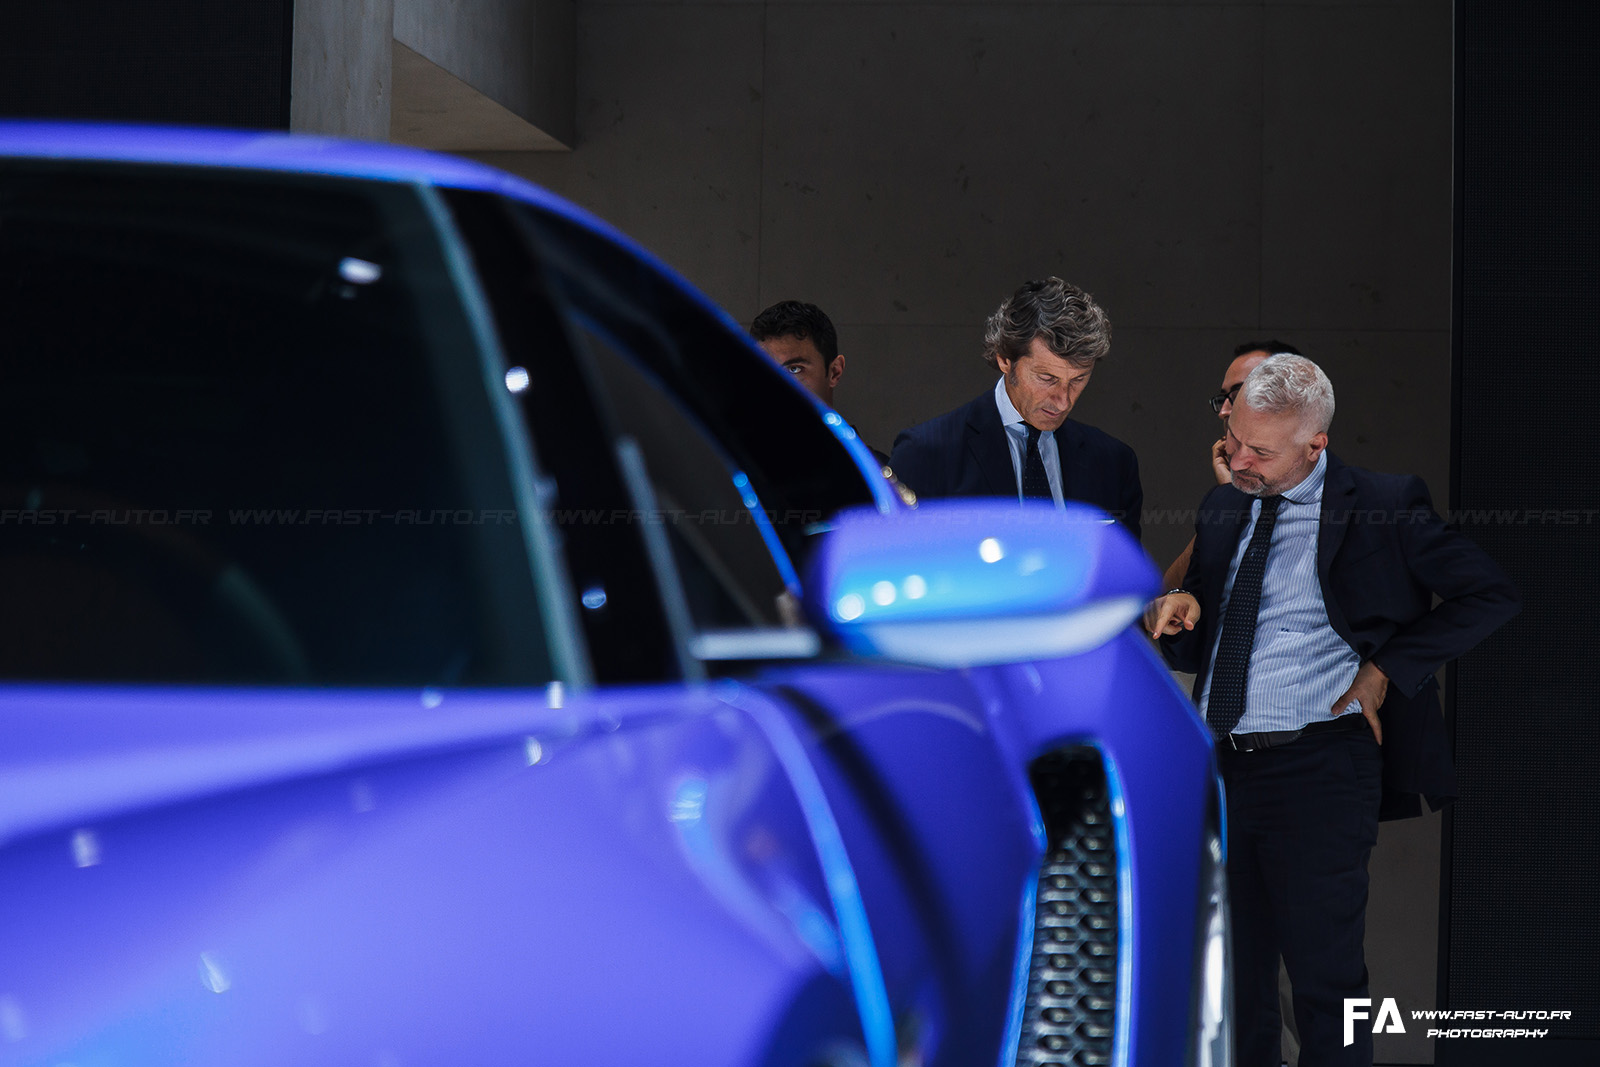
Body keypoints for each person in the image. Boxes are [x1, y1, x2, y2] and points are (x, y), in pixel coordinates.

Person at [1146, 354, 1519, 1067]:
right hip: (1222, 769)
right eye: (1237, 440)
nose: (1239, 459)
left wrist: (1385, 669)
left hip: (1320, 767)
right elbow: (1201, 633)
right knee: (1233, 982)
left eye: (1262, 451)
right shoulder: (1224, 505)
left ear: (1316, 444)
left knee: (1329, 980)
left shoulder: (1382, 503)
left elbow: (1491, 594)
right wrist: (1181, 609)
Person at [887, 277, 1142, 539]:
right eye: (1047, 378)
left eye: (1078, 380)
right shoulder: (926, 453)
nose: (1063, 401)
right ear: (1004, 359)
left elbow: (1125, 577)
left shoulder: (1114, 463)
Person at [1162, 340, 1303, 590]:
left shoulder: (1339, 501)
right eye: (1223, 398)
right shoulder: (1224, 501)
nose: (1224, 411)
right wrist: (1233, 500)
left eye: (1238, 396)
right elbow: (1162, 602)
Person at [750, 300, 889, 465]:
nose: (776, 386)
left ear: (834, 372)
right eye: (766, 369)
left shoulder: (879, 478)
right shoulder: (740, 475)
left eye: (794, 369)